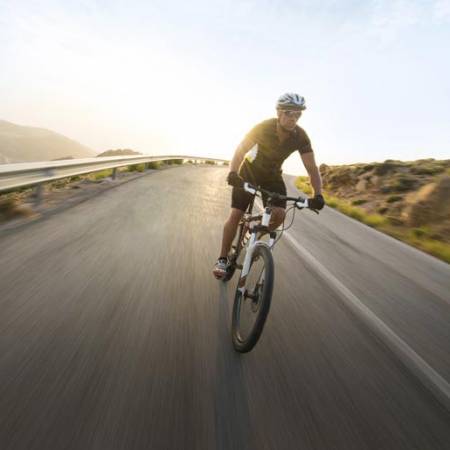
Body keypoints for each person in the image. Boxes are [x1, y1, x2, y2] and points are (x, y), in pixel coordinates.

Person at [213, 92, 325, 280]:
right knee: (236, 214)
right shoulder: (263, 127)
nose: (293, 118)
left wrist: (318, 195)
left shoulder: (301, 137)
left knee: (279, 215)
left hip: (272, 177)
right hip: (250, 172)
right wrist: (233, 172)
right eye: (289, 113)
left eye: (298, 114)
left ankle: (253, 234)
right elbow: (240, 150)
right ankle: (223, 258)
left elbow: (312, 169)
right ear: (279, 112)